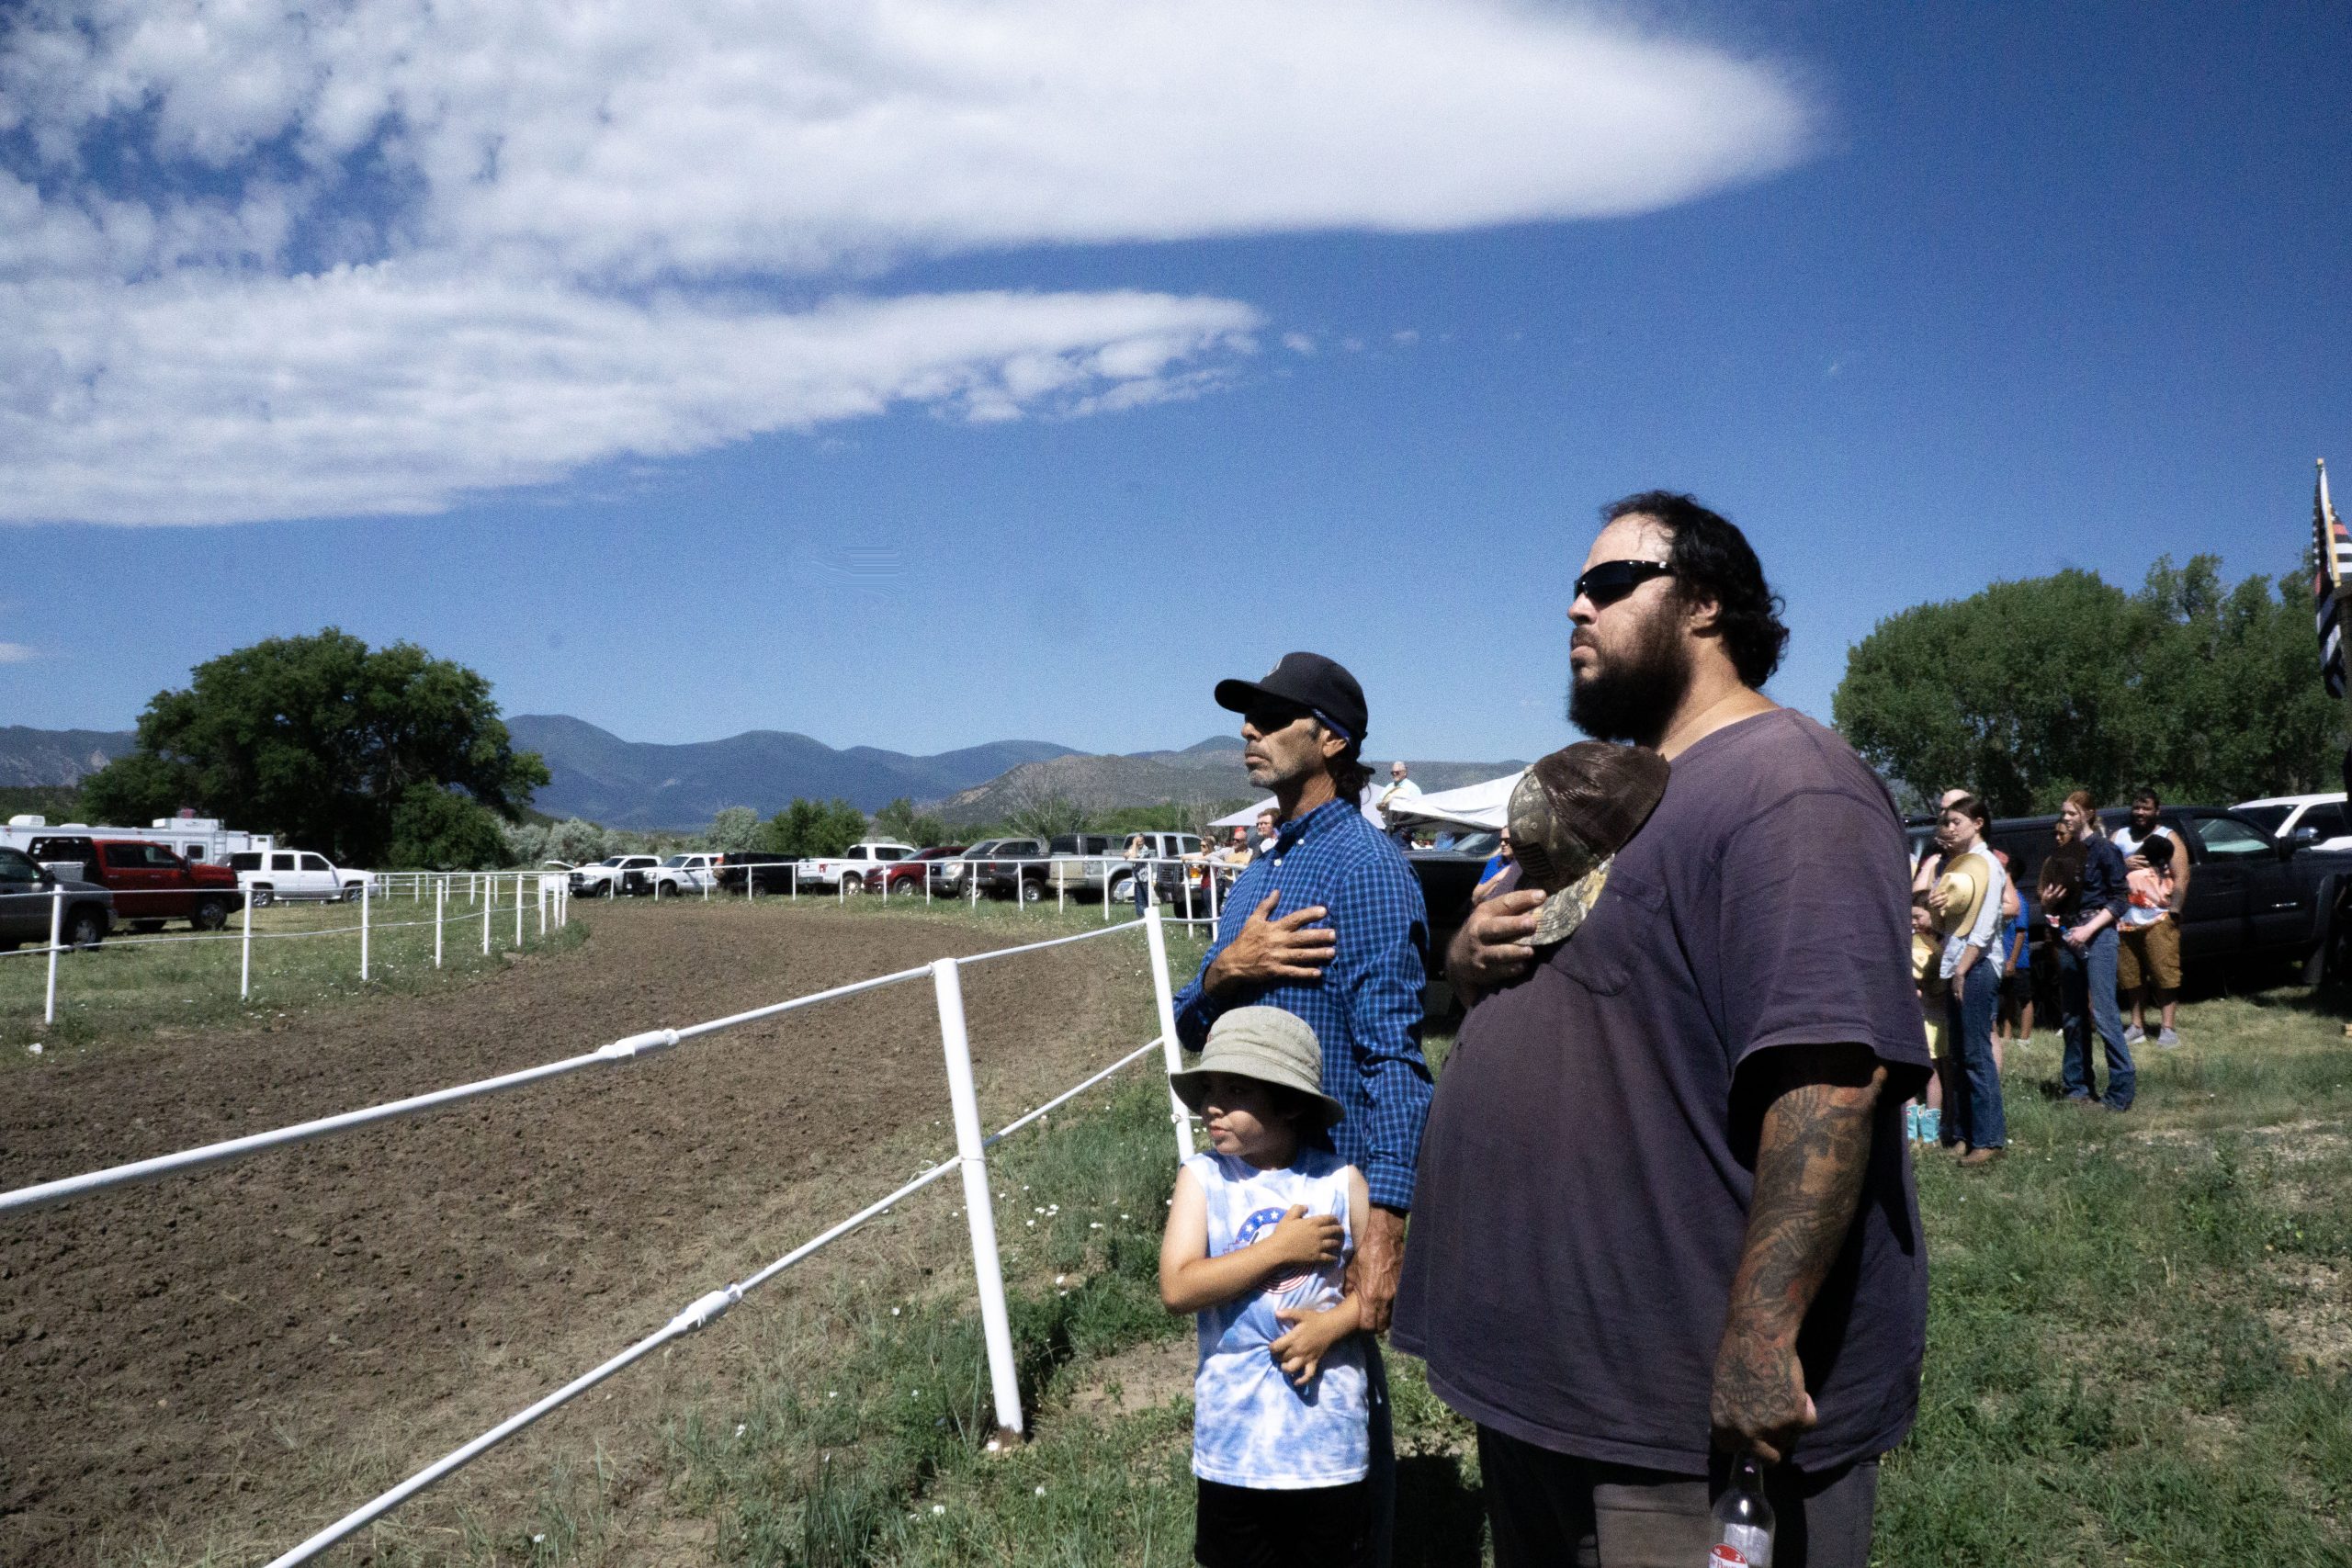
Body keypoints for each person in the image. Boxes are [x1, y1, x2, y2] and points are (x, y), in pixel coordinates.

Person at [1395, 492, 1928, 1567]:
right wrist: (1464, 959)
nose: (1572, 607)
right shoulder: (1637, 793)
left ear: (1704, 604)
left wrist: (1762, 1338)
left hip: (1678, 1426)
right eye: (1574, 588)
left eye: (1605, 583)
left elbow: (1829, 1079)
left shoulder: (1789, 785)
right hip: (1560, 1400)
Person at [1172, 650, 1432, 1550]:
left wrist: (1386, 1228)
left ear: (1331, 738)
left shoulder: (1363, 870)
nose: (1248, 727)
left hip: (1325, 1209)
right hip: (1246, 1199)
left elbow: (1394, 1057)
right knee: (1254, 1408)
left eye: (1271, 714)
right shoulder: (1265, 862)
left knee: (1335, 1442)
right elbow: (1188, 1018)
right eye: (1245, 714)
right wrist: (1224, 972)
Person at [1160, 1007, 1373, 1568]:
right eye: (1209, 1087)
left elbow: (1378, 1294)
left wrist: (1330, 1327)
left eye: (1234, 1089)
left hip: (1325, 1442)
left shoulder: (1339, 1182)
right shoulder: (1202, 1179)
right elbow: (1178, 1288)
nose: (1212, 1104)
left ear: (1290, 1102)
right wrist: (1278, 1250)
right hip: (1235, 1442)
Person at [1928, 795, 2009, 1166]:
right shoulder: (1958, 866)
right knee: (1958, 1055)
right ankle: (1963, 1133)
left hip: (1975, 968)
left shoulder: (1990, 864)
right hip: (1957, 965)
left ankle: (1988, 1139)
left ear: (1978, 823)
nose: (1948, 828)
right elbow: (1951, 926)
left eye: (1955, 821)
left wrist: (1962, 968)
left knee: (1976, 1056)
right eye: (1945, 823)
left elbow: (1988, 922)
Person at [2056, 790, 2133, 1111]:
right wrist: (2051, 902)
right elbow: (2061, 898)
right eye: (2063, 814)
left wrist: (2088, 929)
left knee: (2103, 1013)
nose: (2066, 820)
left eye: (2071, 814)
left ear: (2088, 814)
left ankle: (2120, 1093)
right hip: (2070, 932)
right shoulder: (2065, 853)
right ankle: (2077, 1088)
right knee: (2073, 1016)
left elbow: (2120, 899)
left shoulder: (2105, 851)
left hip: (2098, 934)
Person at [2111, 788, 2188, 1049]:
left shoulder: (2168, 837)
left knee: (2164, 973)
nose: (2140, 812)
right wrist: (2124, 865)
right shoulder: (2119, 837)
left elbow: (2182, 876)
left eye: (2146, 808)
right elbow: (2104, 871)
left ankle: (2167, 1029)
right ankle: (2137, 1026)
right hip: (2125, 919)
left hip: (2158, 916)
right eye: (2136, 807)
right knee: (2131, 976)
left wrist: (2175, 911)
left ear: (2157, 810)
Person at [1375, 761, 1422, 844]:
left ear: (1404, 773)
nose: (1394, 774)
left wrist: (1408, 830)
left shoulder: (1412, 788)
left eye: (1397, 772)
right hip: (1389, 829)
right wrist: (1381, 805)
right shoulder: (1389, 787)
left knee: (1403, 854)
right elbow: (1379, 802)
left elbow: (1420, 810)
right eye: (1392, 773)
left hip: (1402, 830)